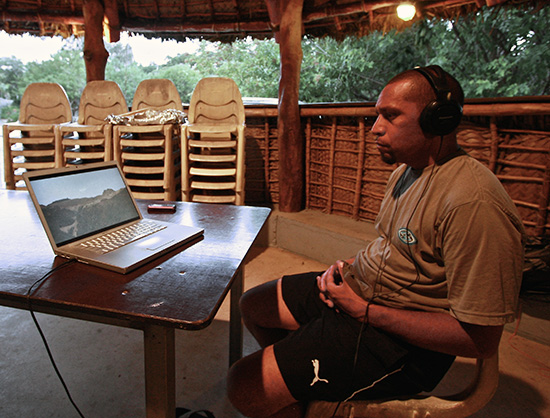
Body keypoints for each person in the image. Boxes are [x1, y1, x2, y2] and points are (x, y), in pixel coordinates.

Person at [227, 66, 525, 418]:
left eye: (391, 115)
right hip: (359, 296)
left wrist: (366, 312)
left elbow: (481, 340)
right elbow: (395, 248)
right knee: (254, 306)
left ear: (437, 120)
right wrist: (348, 269)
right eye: (377, 114)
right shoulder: (406, 171)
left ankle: (303, 386)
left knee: (244, 386)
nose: (375, 128)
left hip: (400, 343)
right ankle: (306, 390)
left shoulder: (472, 204)